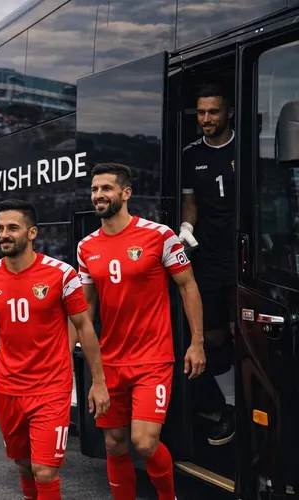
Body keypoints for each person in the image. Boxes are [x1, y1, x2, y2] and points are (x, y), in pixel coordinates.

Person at [76, 163, 206, 499]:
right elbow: (85, 311)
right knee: (114, 443)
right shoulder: (86, 247)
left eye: (106, 188)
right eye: (94, 189)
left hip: (153, 358)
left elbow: (188, 287)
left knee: (144, 442)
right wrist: (85, 364)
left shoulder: (158, 235)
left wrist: (197, 343)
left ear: (126, 193)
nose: (98, 195)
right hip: (110, 361)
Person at [0, 199, 109, 500]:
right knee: (23, 466)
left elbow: (84, 327)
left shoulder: (61, 274)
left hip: (50, 388)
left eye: (12, 228)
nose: (4, 235)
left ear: (32, 233)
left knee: (45, 471)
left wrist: (98, 382)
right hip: (8, 388)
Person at [179, 83, 237, 446]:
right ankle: (230, 405)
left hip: (246, 254)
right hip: (210, 257)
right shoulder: (190, 153)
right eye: (201, 113)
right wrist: (186, 229)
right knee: (213, 334)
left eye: (213, 112)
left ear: (228, 113)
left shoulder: (245, 146)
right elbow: (191, 201)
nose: (205, 119)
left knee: (244, 329)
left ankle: (254, 405)